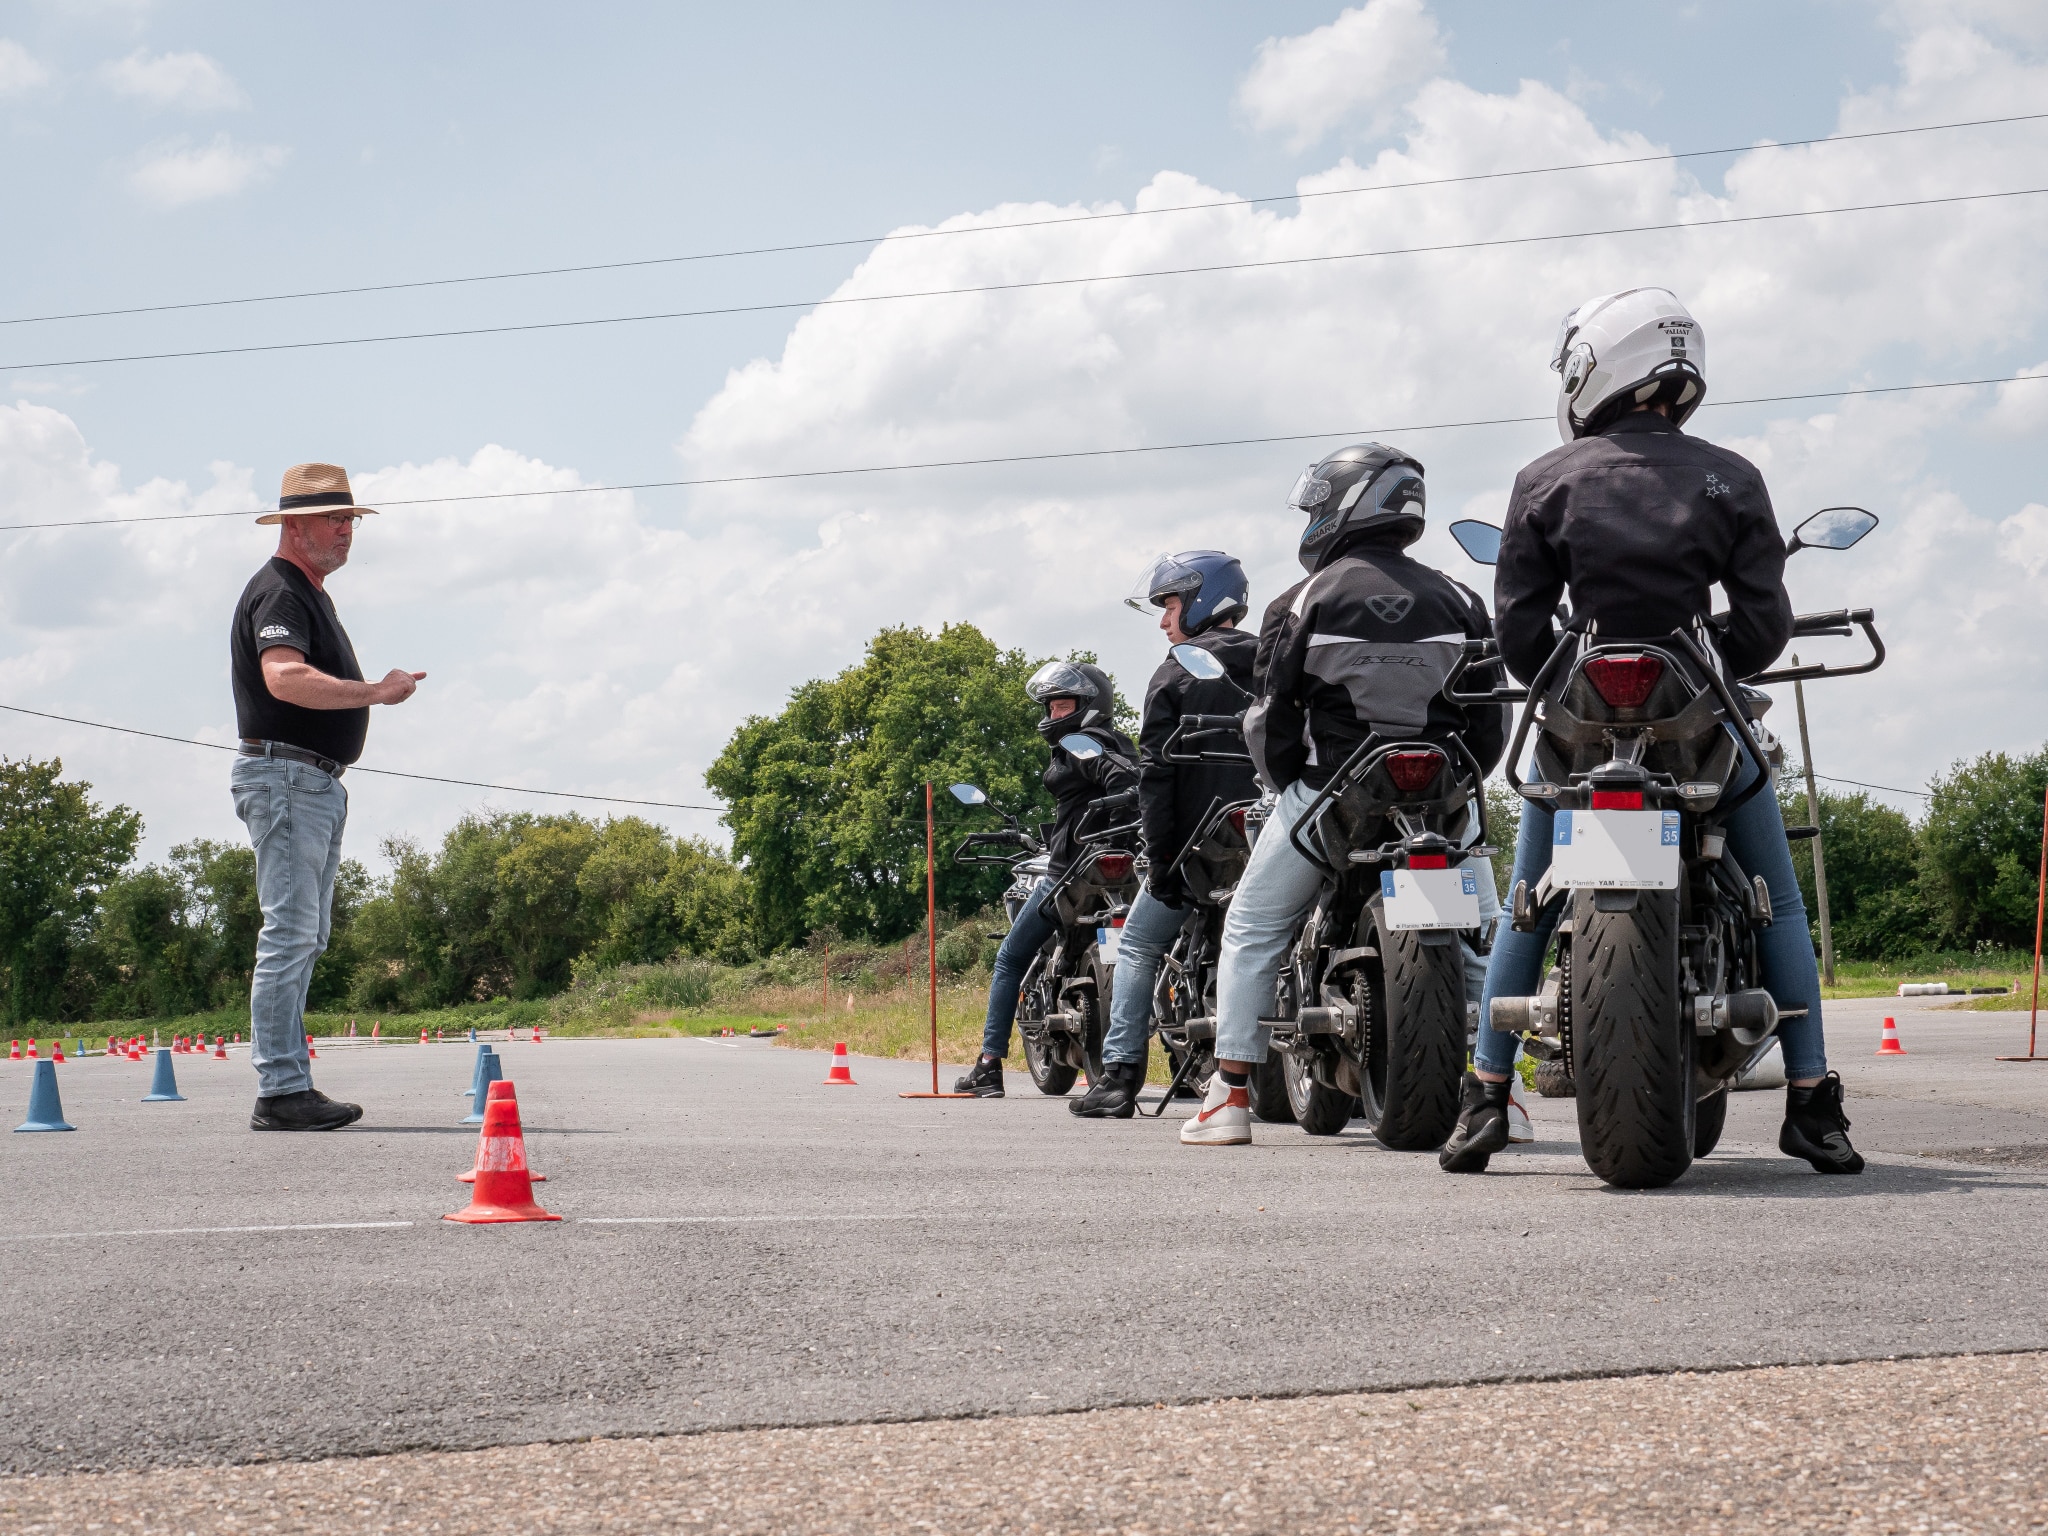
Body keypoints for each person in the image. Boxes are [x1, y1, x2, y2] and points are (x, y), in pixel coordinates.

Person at [1440, 286, 1863, 1176]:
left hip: (1582, 718)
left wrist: (1563, 662)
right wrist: (1719, 661)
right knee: (1777, 899)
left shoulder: (1543, 481)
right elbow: (1760, 625)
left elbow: (1518, 630)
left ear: (1595, 365)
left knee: (1529, 898)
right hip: (1697, 707)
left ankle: (1483, 1097)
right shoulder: (1731, 476)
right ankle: (1813, 1103)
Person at [1181, 446, 1508, 1146]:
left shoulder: (1302, 600)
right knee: (1484, 936)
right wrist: (1460, 782)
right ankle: (1498, 1094)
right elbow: (1489, 721)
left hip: (1335, 793)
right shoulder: (1460, 598)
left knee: (1251, 926)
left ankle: (1229, 1095)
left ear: (1343, 505)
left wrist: (1287, 783)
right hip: (1443, 799)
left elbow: (1271, 719)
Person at [230, 463, 425, 1132]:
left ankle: (287, 1085)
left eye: (351, 519)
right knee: (289, 932)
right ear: (292, 525)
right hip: (287, 778)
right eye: (333, 518)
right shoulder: (281, 593)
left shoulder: (308, 593)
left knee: (304, 935)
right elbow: (283, 679)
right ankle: (281, 1090)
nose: (346, 529)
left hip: (310, 781)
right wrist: (376, 692)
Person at [1071, 552, 1258, 1118]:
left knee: (1138, 942)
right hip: (1273, 837)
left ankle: (1120, 1076)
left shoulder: (1177, 669)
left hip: (1202, 849)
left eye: (1169, 606)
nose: (1163, 621)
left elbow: (1157, 776)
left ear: (1202, 601)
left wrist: (1160, 859)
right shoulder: (1273, 659)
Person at [954, 661, 1138, 1098]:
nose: (1054, 715)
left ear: (1089, 705)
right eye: (1052, 707)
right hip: (1125, 868)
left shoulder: (1082, 743)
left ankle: (988, 1065)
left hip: (1070, 873)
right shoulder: (1120, 742)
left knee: (1010, 958)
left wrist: (1103, 827)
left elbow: (1123, 780)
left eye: (1062, 706)